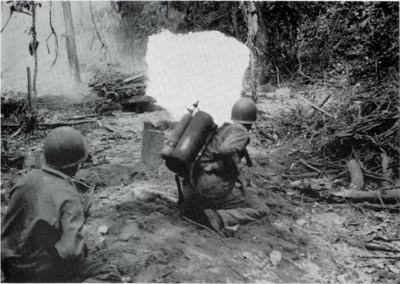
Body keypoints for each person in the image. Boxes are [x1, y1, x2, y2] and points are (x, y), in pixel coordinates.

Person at [1, 127, 121, 283]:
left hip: (10, 268)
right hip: (40, 272)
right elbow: (71, 252)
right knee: (108, 274)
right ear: (77, 164)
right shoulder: (69, 196)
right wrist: (81, 239)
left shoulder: (25, 180)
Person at [181, 97, 270, 236]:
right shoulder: (241, 131)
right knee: (261, 209)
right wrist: (236, 170)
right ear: (252, 121)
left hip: (191, 185)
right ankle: (218, 217)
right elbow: (226, 150)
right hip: (208, 187)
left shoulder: (224, 129)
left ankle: (197, 206)